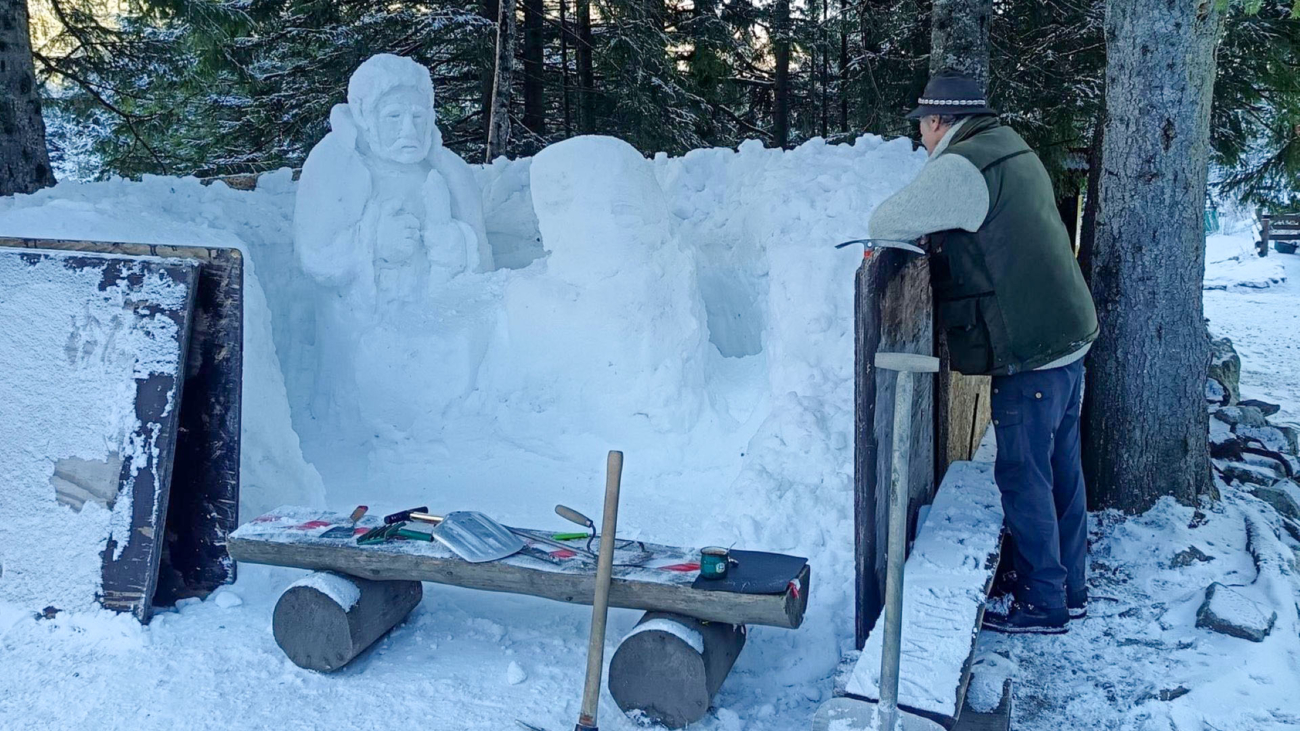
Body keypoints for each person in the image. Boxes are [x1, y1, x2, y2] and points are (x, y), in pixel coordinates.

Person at [868, 70, 1100, 634]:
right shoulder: (1010, 147)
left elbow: (885, 221)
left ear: (940, 121)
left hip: (1031, 350)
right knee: (1061, 469)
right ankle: (1069, 588)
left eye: (922, 126)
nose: (920, 138)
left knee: (1023, 474)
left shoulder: (961, 166)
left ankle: (1042, 604)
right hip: (1068, 335)